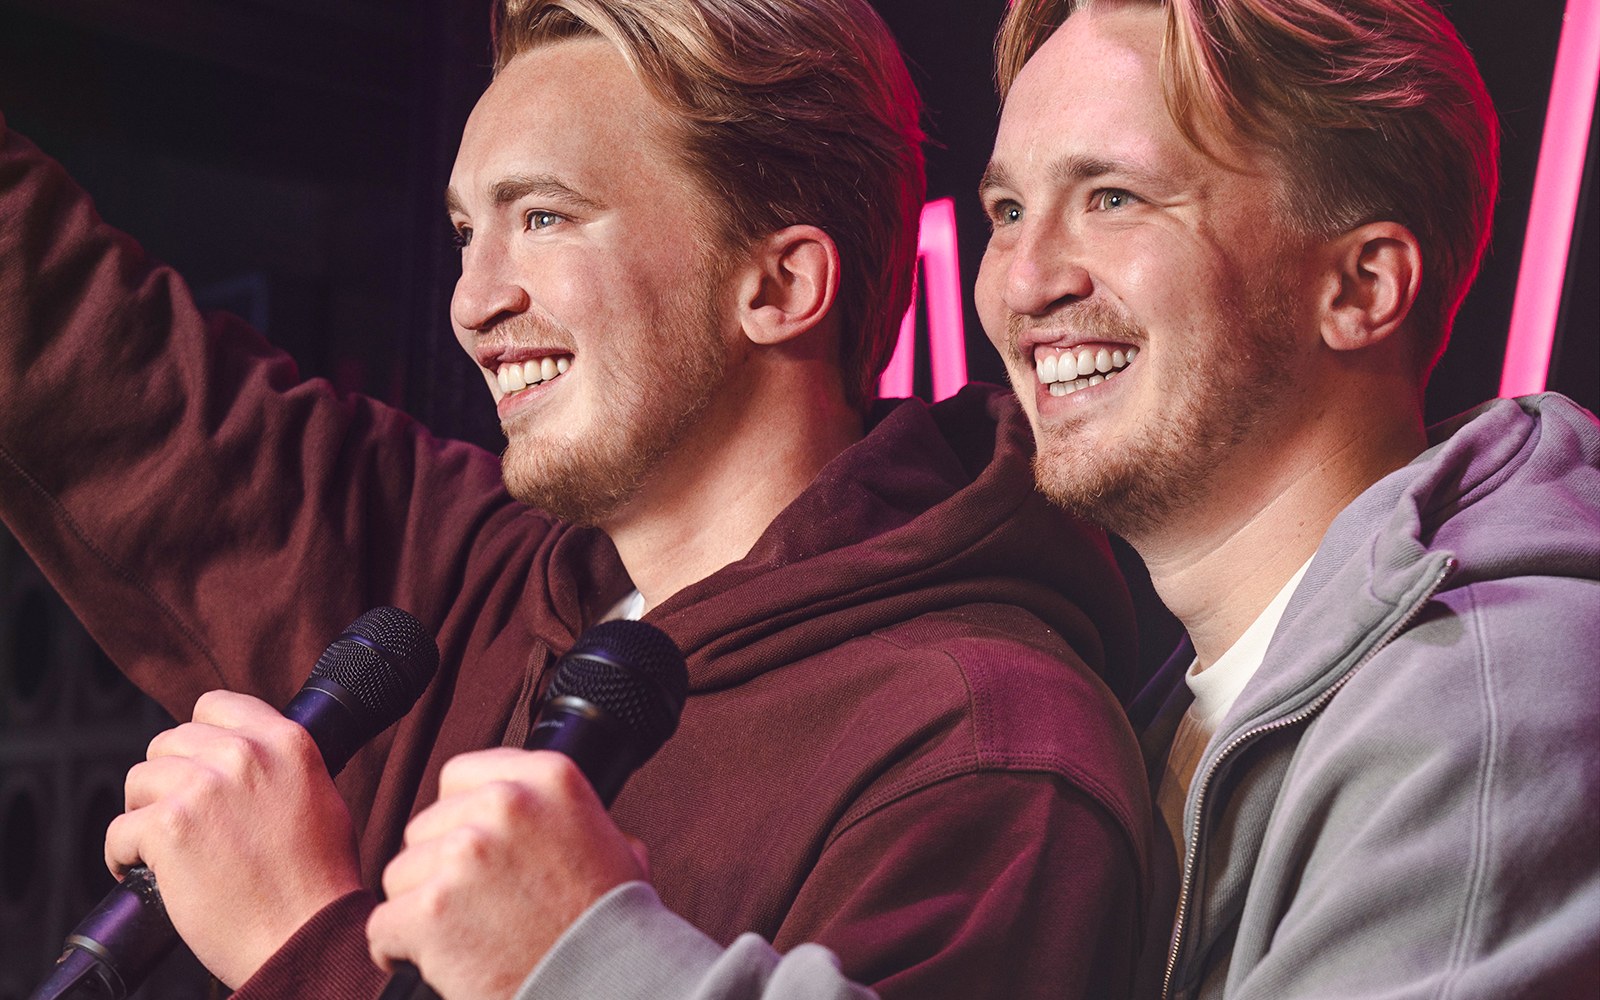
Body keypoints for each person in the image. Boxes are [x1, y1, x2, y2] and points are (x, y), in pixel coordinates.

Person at [0, 2, 1155, 999]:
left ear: (778, 282)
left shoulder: (985, 751)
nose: (473, 300)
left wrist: (298, 941)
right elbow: (86, 351)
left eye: (541, 217)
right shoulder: (472, 573)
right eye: (465, 232)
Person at [978, 1, 1599, 998]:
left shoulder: (1482, 713)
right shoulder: (1159, 730)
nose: (1024, 280)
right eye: (1006, 211)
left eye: (1114, 198)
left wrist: (631, 937)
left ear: (1359, 286)